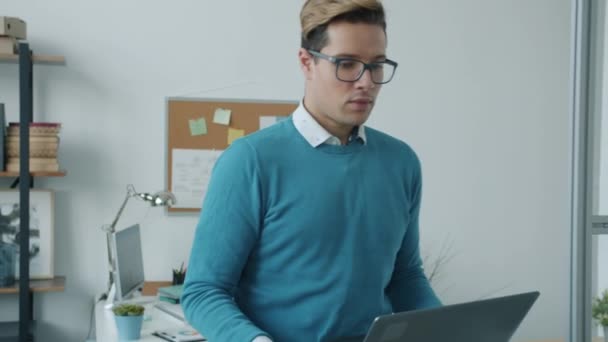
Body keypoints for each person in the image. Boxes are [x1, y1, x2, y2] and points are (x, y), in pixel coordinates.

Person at [181, 1, 441, 341]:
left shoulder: (401, 162)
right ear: (307, 62)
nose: (366, 83)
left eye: (376, 66)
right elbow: (203, 292)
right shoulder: (249, 161)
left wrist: (450, 328)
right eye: (347, 64)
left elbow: (405, 276)